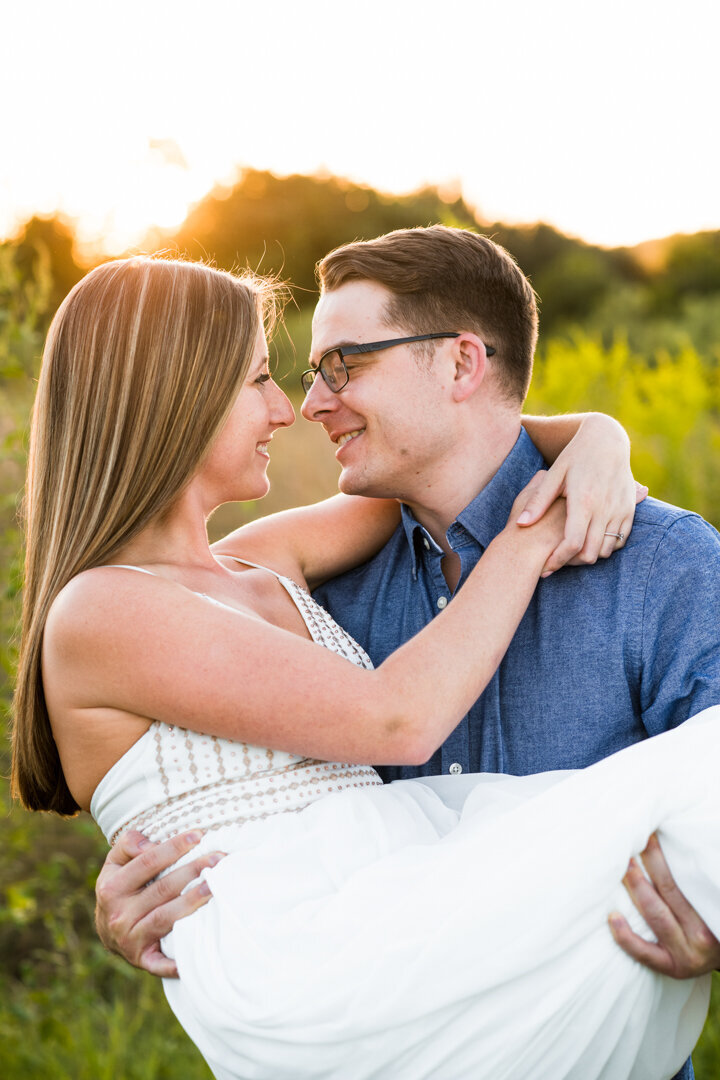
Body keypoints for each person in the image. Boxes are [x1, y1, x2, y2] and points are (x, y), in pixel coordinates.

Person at [94, 229, 720, 1080]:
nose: (311, 403)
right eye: (307, 373)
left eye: (343, 364)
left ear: (463, 364)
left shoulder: (661, 566)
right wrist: (166, 897)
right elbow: (249, 803)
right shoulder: (310, 599)